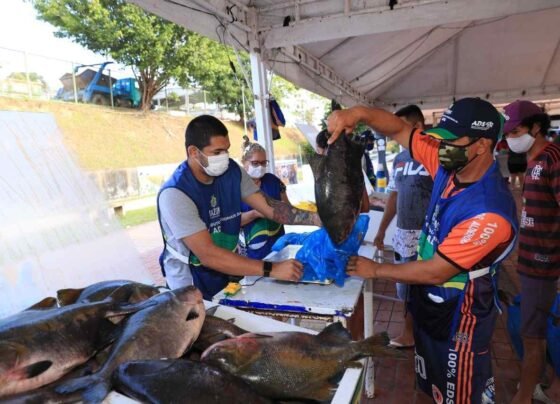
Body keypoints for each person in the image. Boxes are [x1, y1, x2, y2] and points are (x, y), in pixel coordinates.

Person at [327, 98, 518, 404]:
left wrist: (375, 269)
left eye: (450, 141)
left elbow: (437, 271)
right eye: (440, 138)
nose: (440, 147)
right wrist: (358, 113)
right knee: (428, 384)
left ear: (482, 145)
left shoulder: (488, 210)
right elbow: (399, 129)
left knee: (458, 394)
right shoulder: (449, 166)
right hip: (429, 301)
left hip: (461, 313)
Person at [157, 115, 321, 300]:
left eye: (226, 150)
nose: (224, 157)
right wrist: (273, 269)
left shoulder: (232, 173)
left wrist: (317, 219)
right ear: (194, 152)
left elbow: (270, 207)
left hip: (227, 270)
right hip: (191, 283)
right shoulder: (176, 193)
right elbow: (209, 255)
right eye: (217, 152)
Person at [503, 101, 560, 404]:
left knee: (532, 336)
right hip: (532, 263)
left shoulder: (552, 159)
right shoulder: (535, 160)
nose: (511, 138)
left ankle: (524, 396)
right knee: (534, 330)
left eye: (516, 131)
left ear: (536, 127)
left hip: (544, 264)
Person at [373, 104, 433, 349]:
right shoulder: (398, 159)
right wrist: (381, 230)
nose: (395, 133)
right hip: (403, 234)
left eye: (400, 128)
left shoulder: (434, 154)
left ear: (417, 126)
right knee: (405, 288)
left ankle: (430, 335)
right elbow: (394, 197)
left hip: (429, 235)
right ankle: (408, 333)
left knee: (430, 287)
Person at [239, 137, 288, 259]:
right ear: (244, 162)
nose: (260, 167)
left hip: (278, 247)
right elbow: (232, 222)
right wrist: (255, 213)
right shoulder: (235, 187)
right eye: (255, 163)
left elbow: (287, 207)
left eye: (263, 163)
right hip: (252, 255)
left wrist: (282, 209)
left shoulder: (273, 181)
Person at [315, 130, 371, 213]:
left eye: (318, 150)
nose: (317, 153)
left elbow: (365, 207)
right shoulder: (353, 167)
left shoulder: (327, 174)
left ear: (325, 149)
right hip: (351, 218)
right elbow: (365, 207)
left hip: (338, 220)